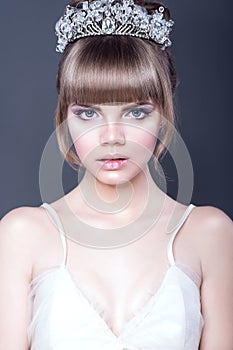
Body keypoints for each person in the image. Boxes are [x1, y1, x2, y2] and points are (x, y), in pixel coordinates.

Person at [0, 0, 232, 349]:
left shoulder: (209, 234)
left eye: (136, 113)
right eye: (88, 113)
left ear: (163, 114)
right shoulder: (22, 234)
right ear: (65, 117)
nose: (112, 136)